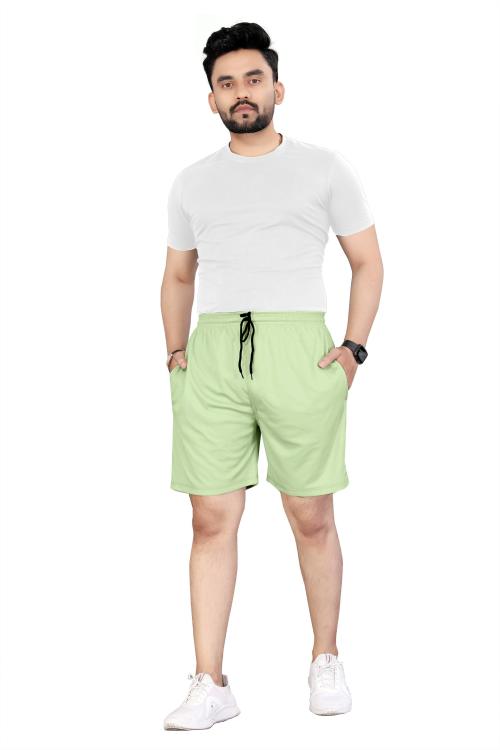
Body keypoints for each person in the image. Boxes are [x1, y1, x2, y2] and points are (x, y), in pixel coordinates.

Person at [160, 21, 383, 731]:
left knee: (310, 514)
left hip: (299, 351)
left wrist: (353, 350)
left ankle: (326, 658)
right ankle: (210, 681)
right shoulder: (192, 181)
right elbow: (178, 274)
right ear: (212, 99)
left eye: (253, 79)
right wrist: (176, 354)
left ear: (277, 88)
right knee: (209, 518)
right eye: (226, 83)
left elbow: (367, 262)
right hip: (213, 355)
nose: (241, 92)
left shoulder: (324, 168)